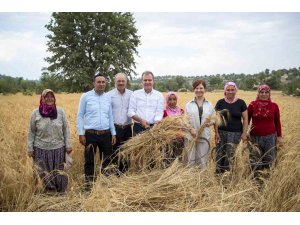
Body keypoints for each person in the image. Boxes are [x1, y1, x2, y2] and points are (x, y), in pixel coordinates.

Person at [27, 89, 72, 193]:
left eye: (51, 96)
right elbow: (31, 132)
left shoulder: (60, 112)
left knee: (59, 171)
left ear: (54, 98)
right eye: (46, 96)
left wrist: (68, 145)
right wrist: (30, 148)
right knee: (43, 172)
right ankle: (49, 191)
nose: (49, 98)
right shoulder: (36, 113)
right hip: (41, 148)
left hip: (58, 148)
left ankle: (60, 191)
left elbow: (66, 129)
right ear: (42, 98)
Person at [77, 72, 116, 187]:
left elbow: (110, 116)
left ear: (105, 84)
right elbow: (80, 115)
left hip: (106, 134)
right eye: (98, 82)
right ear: (94, 83)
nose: (101, 84)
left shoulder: (108, 98)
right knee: (89, 161)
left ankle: (105, 184)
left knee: (107, 160)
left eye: (103, 82)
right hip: (90, 134)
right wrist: (80, 133)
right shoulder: (86, 97)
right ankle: (89, 185)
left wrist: (113, 133)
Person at [247, 84, 283, 175]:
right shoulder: (252, 105)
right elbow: (246, 120)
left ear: (269, 94)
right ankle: (255, 180)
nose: (264, 94)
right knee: (255, 160)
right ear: (258, 93)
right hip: (254, 137)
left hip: (270, 137)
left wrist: (279, 136)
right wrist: (245, 132)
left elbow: (277, 122)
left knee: (269, 159)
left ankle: (268, 178)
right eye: (261, 92)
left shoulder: (274, 106)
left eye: (266, 92)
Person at [215, 81, 248, 174]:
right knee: (220, 154)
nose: (230, 92)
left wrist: (244, 133)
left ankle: (229, 176)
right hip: (222, 133)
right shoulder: (220, 102)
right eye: (228, 90)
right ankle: (218, 175)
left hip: (235, 134)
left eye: (232, 90)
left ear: (235, 90)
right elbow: (216, 119)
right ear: (225, 90)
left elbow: (245, 119)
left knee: (232, 155)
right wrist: (216, 133)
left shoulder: (241, 103)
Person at [185, 80, 216, 169]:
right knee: (191, 159)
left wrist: (211, 123)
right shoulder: (188, 104)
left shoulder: (209, 104)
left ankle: (202, 179)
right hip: (191, 135)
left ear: (205, 89)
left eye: (201, 88)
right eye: (196, 88)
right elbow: (185, 120)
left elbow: (214, 118)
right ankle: (191, 178)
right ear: (193, 89)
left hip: (204, 135)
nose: (199, 90)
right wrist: (191, 129)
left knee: (203, 159)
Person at [107, 72, 133, 172]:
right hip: (114, 128)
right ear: (115, 82)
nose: (121, 83)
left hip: (127, 128)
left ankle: (125, 173)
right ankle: (114, 173)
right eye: (119, 81)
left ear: (126, 82)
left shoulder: (132, 94)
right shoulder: (109, 95)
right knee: (114, 152)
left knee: (126, 151)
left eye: (123, 81)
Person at [128, 70, 164, 135]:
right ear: (142, 81)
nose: (147, 82)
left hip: (154, 127)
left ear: (153, 81)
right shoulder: (135, 94)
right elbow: (130, 112)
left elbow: (159, 113)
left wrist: (156, 125)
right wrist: (141, 120)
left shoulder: (159, 95)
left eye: (149, 80)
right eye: (145, 80)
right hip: (138, 127)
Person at [163, 91, 184, 166]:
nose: (172, 101)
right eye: (170, 99)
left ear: (177, 100)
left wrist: (180, 133)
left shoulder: (181, 111)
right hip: (168, 140)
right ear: (167, 100)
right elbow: (162, 128)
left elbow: (184, 125)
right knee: (168, 157)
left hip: (180, 139)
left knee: (178, 158)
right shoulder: (164, 113)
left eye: (174, 99)